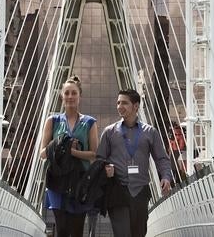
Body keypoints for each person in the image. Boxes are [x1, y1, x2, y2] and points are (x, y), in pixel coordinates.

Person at [96, 89, 172, 237]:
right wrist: (105, 168)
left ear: (136, 106)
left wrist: (166, 177)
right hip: (117, 190)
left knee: (139, 233)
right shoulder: (109, 132)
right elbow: (100, 159)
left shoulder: (150, 132)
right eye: (118, 102)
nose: (119, 106)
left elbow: (162, 158)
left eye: (124, 103)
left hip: (140, 192)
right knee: (122, 233)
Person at [40, 76, 99, 237]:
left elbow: (94, 155)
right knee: (62, 229)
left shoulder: (89, 123)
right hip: (57, 181)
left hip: (81, 181)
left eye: (74, 93)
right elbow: (42, 153)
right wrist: (60, 146)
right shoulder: (52, 121)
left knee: (77, 230)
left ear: (80, 96)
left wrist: (72, 152)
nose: (70, 97)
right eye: (67, 93)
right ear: (61, 96)